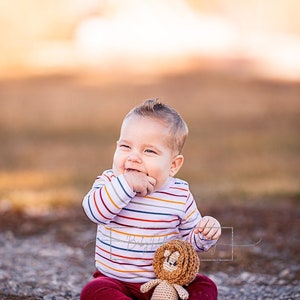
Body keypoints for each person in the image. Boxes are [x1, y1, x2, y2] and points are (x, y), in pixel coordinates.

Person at [80, 98, 221, 300]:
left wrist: (205, 233)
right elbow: (95, 212)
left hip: (166, 285)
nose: (134, 157)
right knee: (93, 291)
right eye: (126, 146)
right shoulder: (110, 181)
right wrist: (126, 184)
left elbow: (190, 245)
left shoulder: (179, 195)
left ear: (173, 165)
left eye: (149, 151)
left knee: (205, 286)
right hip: (115, 281)